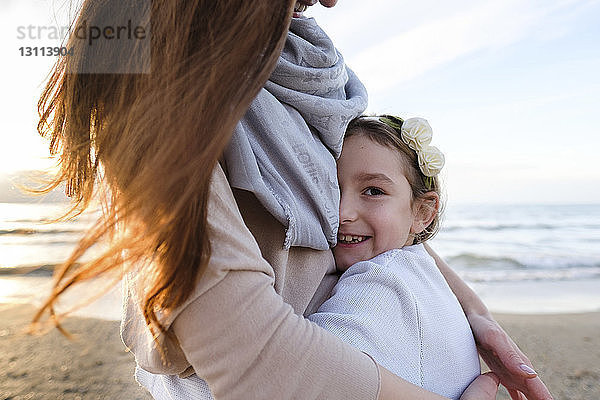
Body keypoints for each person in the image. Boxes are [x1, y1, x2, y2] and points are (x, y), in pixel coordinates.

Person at [33, 1, 553, 399]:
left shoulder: (304, 60)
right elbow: (252, 353)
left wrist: (473, 311)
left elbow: (376, 209)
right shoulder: (147, 85)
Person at [308, 115, 480, 400]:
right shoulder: (425, 277)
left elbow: (300, 378)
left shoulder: (379, 281)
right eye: (332, 189)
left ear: (423, 213)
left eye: (374, 191)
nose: (342, 212)